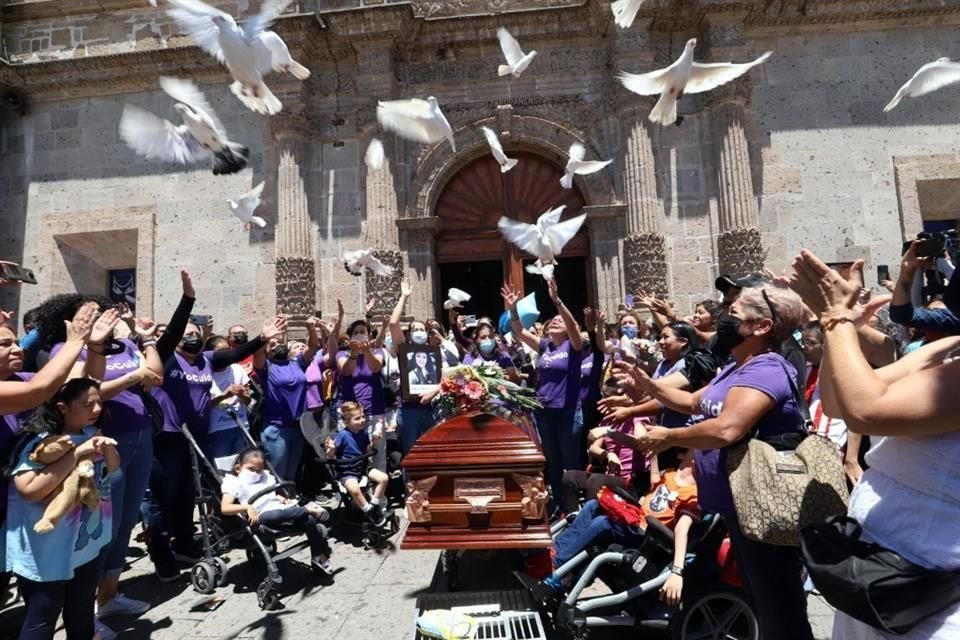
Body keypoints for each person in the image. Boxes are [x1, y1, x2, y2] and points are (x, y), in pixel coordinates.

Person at [614, 284, 812, 640]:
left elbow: (726, 429)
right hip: (733, 507)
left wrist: (669, 437)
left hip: (762, 510)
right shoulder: (735, 368)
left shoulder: (767, 369)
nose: (724, 318)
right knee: (760, 600)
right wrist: (651, 385)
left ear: (762, 326)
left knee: (780, 609)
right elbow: (691, 403)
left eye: (733, 313)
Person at [788, 250, 960, 639]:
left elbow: (868, 411)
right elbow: (840, 403)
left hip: (931, 600)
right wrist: (837, 327)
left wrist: (838, 319)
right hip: (875, 578)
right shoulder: (944, 349)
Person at [37, 292, 166, 633]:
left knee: (125, 522)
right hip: (108, 440)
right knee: (101, 526)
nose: (103, 319)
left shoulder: (123, 346)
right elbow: (85, 391)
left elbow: (155, 375)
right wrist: (133, 378)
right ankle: (84, 610)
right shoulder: (65, 351)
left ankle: (110, 595)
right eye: (92, 314)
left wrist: (144, 344)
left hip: (140, 436)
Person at [5, 378, 119, 640]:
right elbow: (30, 491)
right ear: (62, 408)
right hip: (45, 551)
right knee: (43, 615)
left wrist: (108, 449)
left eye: (99, 401)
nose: (97, 408)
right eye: (87, 404)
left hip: (85, 546)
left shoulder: (93, 433)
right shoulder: (40, 444)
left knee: (81, 614)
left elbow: (113, 471)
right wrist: (77, 453)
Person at [542, 449, 698, 607]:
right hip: (634, 517)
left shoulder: (693, 495)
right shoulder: (669, 474)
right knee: (592, 505)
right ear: (682, 455)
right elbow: (654, 483)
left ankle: (557, 563)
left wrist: (677, 570)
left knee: (603, 523)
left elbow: (682, 530)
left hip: (647, 536)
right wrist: (653, 456)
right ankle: (555, 552)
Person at [502, 277, 583, 506]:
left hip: (567, 413)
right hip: (544, 412)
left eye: (561, 321)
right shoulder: (546, 346)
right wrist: (514, 309)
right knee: (552, 461)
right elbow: (519, 332)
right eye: (554, 320)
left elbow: (575, 327)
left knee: (570, 462)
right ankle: (558, 504)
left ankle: (573, 506)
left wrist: (556, 301)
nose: (556, 322)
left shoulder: (574, 345)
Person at [220, 447, 333, 575]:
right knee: (274, 515)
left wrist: (282, 498)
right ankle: (308, 508)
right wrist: (246, 507)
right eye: (251, 469)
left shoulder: (265, 477)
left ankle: (319, 556)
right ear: (238, 468)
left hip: (278, 508)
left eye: (259, 469)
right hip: (260, 515)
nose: (256, 473)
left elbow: (273, 495)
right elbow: (225, 508)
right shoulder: (234, 482)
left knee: (309, 520)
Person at [560, 377, 647, 514]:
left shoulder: (636, 416)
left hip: (630, 478)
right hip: (609, 474)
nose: (602, 401)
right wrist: (608, 454)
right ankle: (573, 517)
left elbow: (641, 443)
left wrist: (610, 432)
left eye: (606, 397)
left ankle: (588, 520)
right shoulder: (608, 418)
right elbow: (593, 447)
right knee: (570, 477)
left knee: (595, 480)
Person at [798, 321, 864, 486]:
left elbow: (855, 416)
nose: (805, 347)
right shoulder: (802, 370)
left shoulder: (843, 373)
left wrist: (851, 458)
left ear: (825, 345)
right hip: (800, 444)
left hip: (828, 445)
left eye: (811, 343)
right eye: (803, 341)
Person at [253, 316, 317, 482]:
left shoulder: (296, 363)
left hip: (298, 426)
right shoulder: (266, 367)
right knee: (277, 474)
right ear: (267, 349)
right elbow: (257, 354)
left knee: (291, 473)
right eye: (272, 345)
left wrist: (311, 330)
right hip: (276, 429)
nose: (277, 346)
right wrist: (263, 336)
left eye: (280, 342)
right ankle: (276, 504)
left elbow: (313, 347)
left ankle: (289, 502)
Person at [389, 281, 439, 456]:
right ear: (410, 334)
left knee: (432, 455)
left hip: (432, 409)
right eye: (415, 329)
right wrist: (404, 296)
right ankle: (409, 484)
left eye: (422, 329)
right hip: (410, 410)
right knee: (411, 455)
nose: (419, 332)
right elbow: (393, 324)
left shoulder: (435, 352)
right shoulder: (404, 350)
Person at [336, 314, 388, 471]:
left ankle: (378, 491)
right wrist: (354, 353)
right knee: (351, 455)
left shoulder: (377, 351)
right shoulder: (342, 354)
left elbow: (376, 367)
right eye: (356, 332)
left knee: (377, 455)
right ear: (350, 337)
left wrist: (366, 352)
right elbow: (346, 371)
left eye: (363, 331)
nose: (360, 333)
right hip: (351, 413)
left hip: (374, 411)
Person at [325, 402, 389, 527]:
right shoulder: (343, 435)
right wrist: (331, 448)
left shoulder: (363, 433)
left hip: (361, 468)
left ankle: (374, 504)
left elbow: (368, 450)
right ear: (347, 422)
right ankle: (368, 511)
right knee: (354, 489)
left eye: (363, 417)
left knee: (384, 478)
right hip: (347, 471)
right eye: (357, 418)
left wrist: (374, 441)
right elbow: (330, 455)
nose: (362, 420)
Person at [205, 335, 254, 459]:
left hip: (241, 426)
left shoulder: (237, 369)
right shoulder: (205, 372)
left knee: (241, 464)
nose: (227, 355)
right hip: (218, 429)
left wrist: (242, 395)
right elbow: (204, 406)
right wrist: (224, 395)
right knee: (223, 468)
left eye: (229, 350)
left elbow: (247, 401)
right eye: (221, 352)